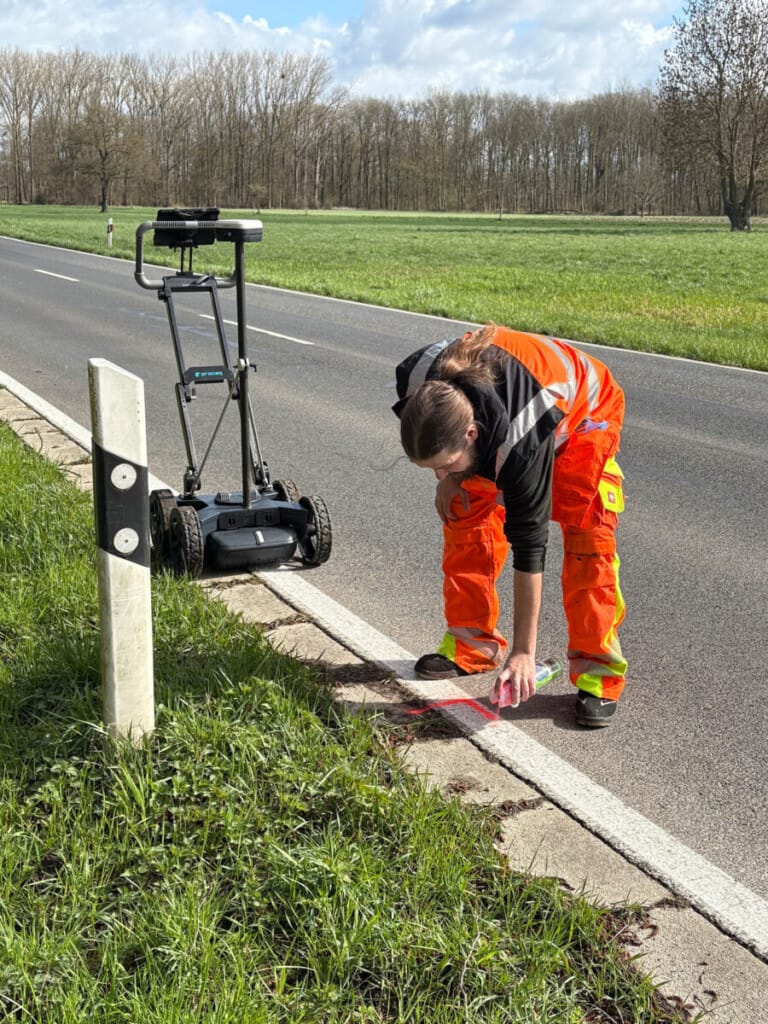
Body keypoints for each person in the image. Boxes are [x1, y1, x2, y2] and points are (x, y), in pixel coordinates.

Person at [392, 323, 627, 727]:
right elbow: (443, 442)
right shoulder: (415, 383)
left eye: (443, 465)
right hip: (503, 410)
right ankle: (471, 646)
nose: (436, 475)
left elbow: (529, 550)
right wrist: (452, 477)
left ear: (471, 434)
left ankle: (598, 672)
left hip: (583, 417)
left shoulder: (521, 439)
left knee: (589, 535)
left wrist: (524, 653)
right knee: (463, 507)